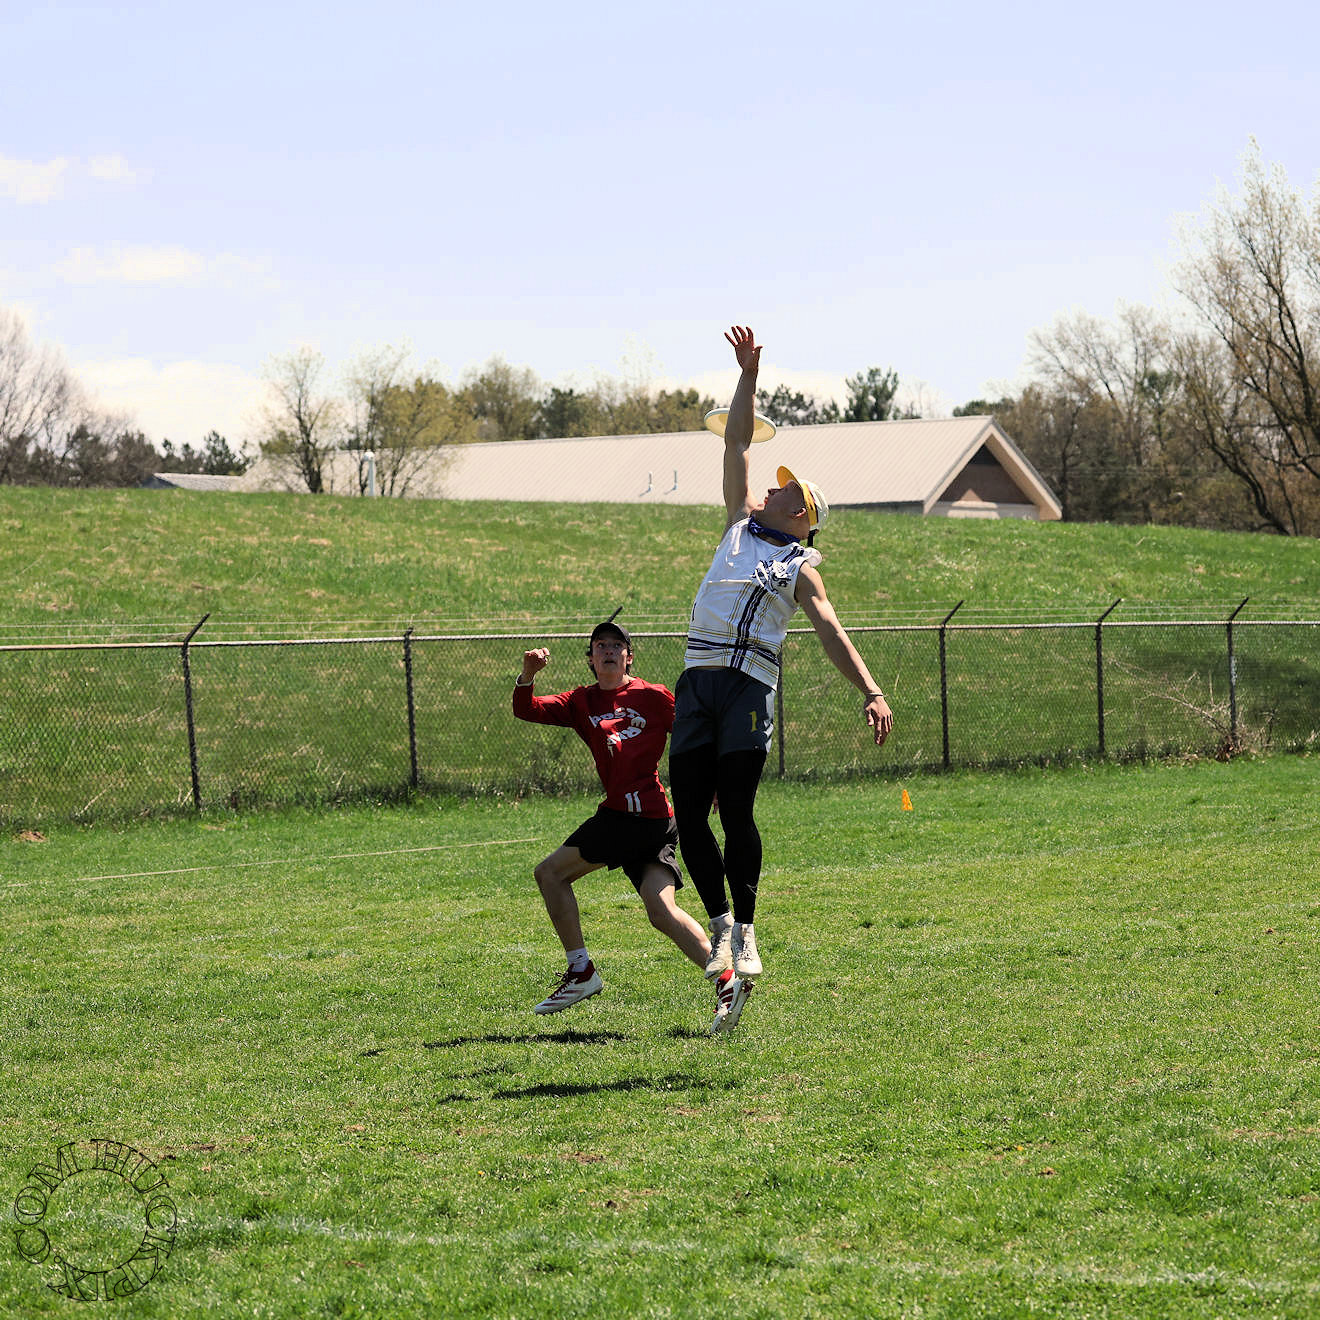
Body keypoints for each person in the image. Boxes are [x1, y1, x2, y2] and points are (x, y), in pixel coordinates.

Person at [669, 325, 895, 982]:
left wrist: (871, 690)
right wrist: (747, 375)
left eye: (785, 491)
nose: (771, 489)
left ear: (802, 516)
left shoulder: (798, 562)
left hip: (746, 685)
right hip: (696, 679)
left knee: (734, 808)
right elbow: (737, 439)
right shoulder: (739, 523)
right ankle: (717, 929)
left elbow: (828, 628)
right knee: (688, 812)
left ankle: (746, 928)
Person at [513, 619, 752, 1033]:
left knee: (549, 873)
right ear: (590, 658)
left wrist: (712, 781)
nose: (607, 650)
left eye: (616, 645)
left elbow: (695, 736)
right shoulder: (580, 702)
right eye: (599, 645)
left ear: (629, 656)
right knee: (661, 911)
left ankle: (581, 971)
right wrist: (528, 676)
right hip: (643, 821)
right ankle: (729, 983)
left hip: (639, 818)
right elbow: (525, 709)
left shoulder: (653, 696)